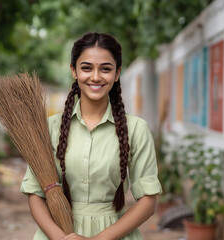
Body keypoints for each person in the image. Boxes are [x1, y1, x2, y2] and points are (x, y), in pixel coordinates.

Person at [20, 32, 162, 240]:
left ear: (117, 73)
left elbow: (148, 202)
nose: (96, 77)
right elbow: (35, 194)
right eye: (87, 68)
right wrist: (59, 238)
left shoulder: (137, 129)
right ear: (74, 71)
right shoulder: (49, 127)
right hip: (56, 233)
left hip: (114, 235)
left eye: (105, 69)